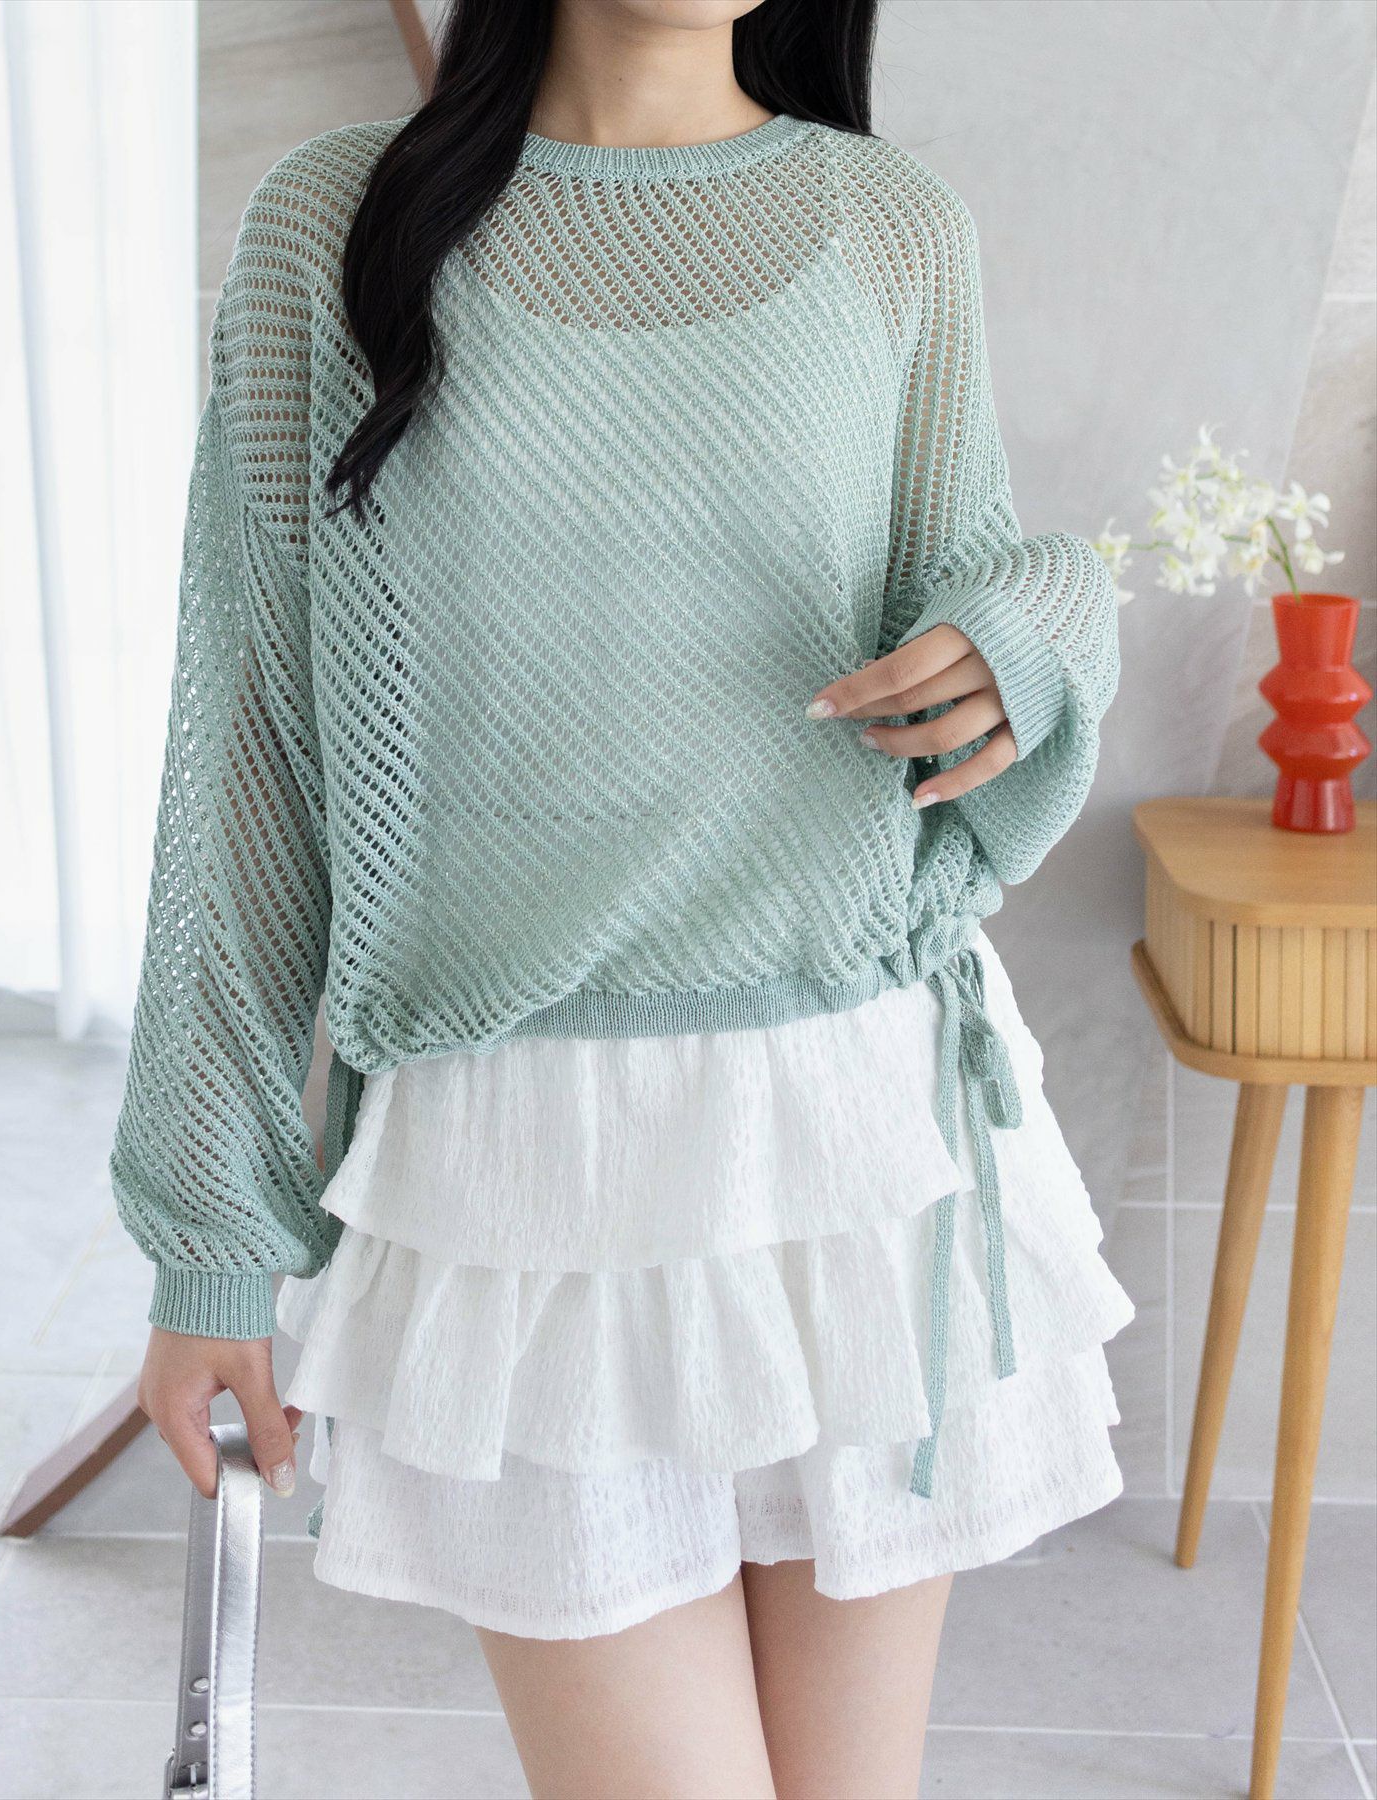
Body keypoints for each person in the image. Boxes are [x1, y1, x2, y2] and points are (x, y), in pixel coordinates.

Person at [117, 1, 1134, 1793]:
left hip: (857, 1136)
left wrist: (1047, 623)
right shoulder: (336, 225)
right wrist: (212, 1231)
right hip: (524, 1170)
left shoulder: (890, 224)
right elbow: (250, 748)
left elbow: (971, 606)